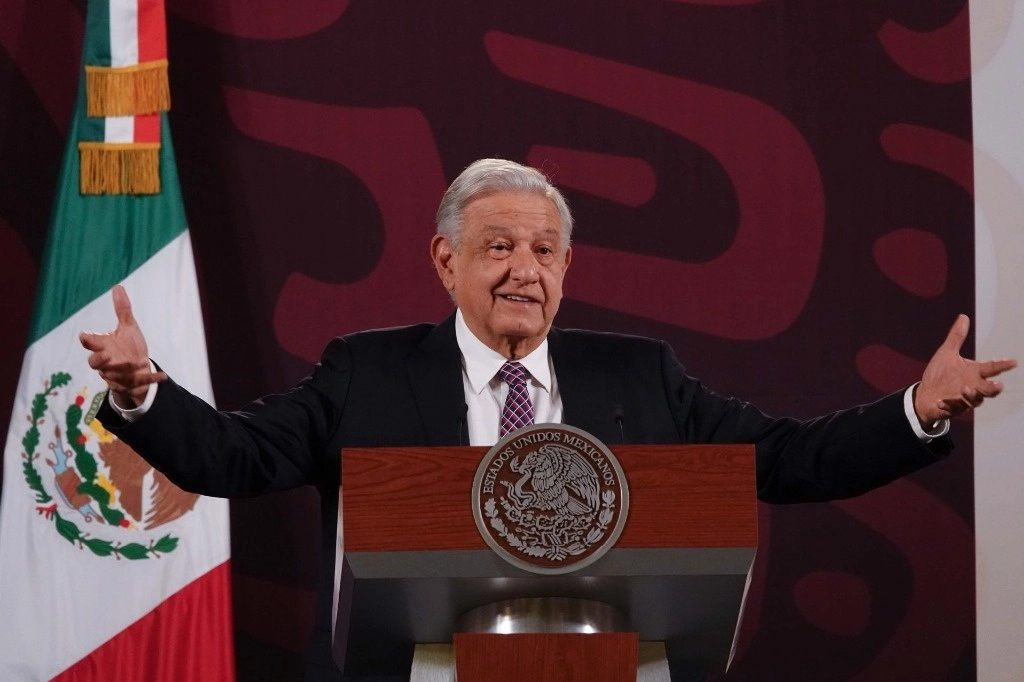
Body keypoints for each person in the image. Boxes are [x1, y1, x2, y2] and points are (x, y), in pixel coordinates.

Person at [80, 158, 1016, 675]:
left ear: (568, 270)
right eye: (498, 247)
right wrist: (140, 390)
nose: (526, 268)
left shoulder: (643, 377)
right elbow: (232, 457)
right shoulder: (367, 373)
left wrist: (919, 412)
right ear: (446, 264)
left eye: (546, 249)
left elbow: (791, 461)